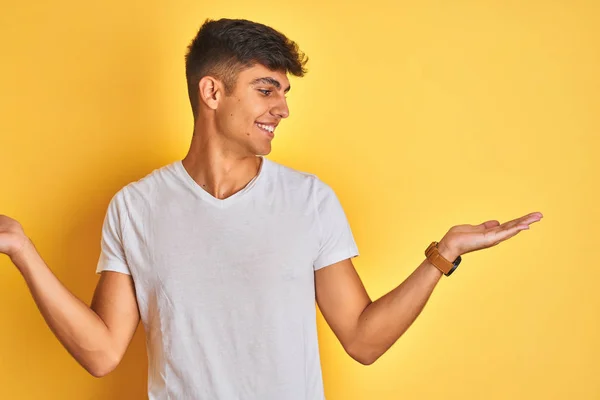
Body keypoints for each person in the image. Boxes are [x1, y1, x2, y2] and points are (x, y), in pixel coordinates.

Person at [0, 18, 543, 400]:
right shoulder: (136, 207)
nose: (282, 109)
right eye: (266, 91)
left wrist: (442, 255)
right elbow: (101, 353)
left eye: (283, 93)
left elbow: (362, 338)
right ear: (212, 92)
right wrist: (21, 248)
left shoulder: (309, 201)